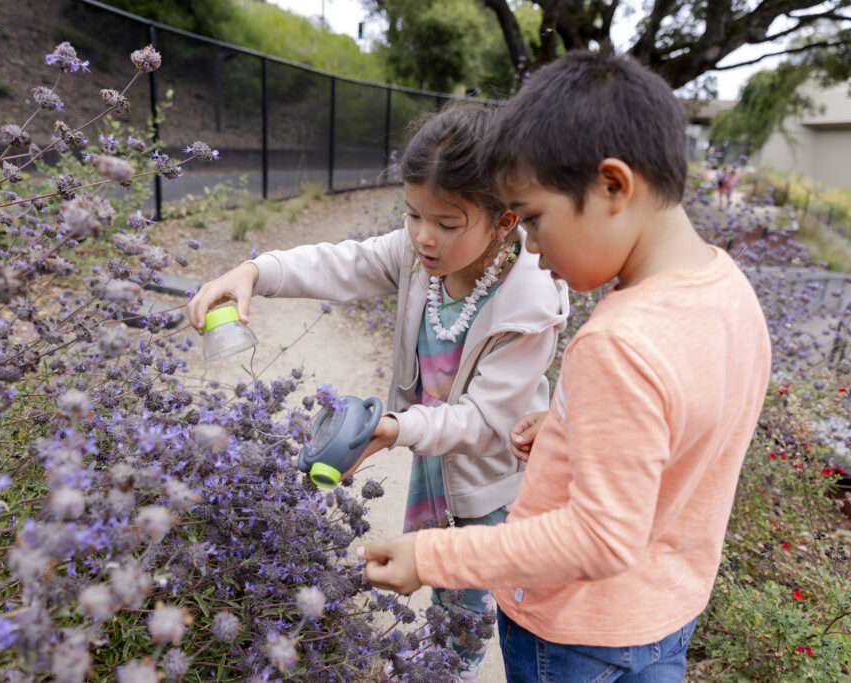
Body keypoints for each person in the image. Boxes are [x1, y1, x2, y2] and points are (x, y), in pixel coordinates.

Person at [358, 50, 772, 683]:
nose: (530, 248)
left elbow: (600, 539)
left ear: (612, 186)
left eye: (533, 219)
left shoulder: (619, 344)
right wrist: (568, 426)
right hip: (662, 612)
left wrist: (437, 554)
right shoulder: (727, 291)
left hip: (574, 632)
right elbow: (680, 427)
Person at [187, 103, 569, 680]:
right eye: (412, 214)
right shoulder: (418, 260)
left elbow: (481, 421)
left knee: (468, 601)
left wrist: (394, 429)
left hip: (491, 481)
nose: (423, 236)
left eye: (446, 223)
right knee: (442, 580)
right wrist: (255, 273)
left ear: (504, 221)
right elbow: (341, 263)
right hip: (433, 460)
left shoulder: (529, 304)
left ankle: (451, 667)